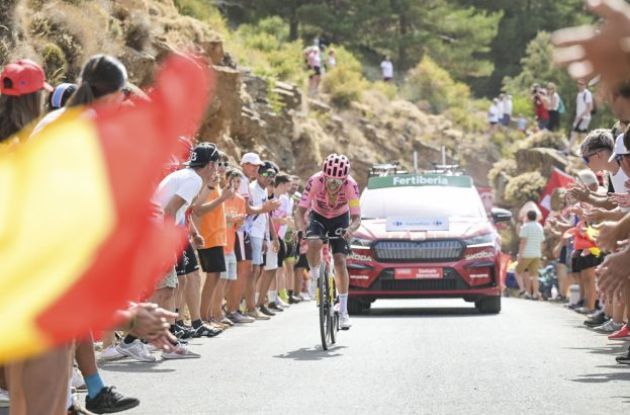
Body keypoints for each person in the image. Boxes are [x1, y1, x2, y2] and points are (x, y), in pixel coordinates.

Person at [296, 154, 362, 329]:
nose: (333, 185)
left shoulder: (351, 185)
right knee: (314, 242)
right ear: (324, 176)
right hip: (318, 216)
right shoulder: (315, 181)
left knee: (340, 261)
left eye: (338, 181)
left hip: (341, 218)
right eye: (329, 180)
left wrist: (350, 229)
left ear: (344, 179)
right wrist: (301, 229)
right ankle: (316, 276)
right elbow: (300, 211)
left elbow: (356, 218)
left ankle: (343, 312)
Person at [515, 210, 545, 299]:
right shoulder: (540, 227)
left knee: (517, 271)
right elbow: (542, 241)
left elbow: (523, 242)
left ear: (527, 217)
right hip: (536, 253)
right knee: (534, 275)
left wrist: (520, 254)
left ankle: (522, 289)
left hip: (527, 254)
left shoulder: (526, 227)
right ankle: (535, 293)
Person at [568, 80, 594, 151]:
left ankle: (567, 151)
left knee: (574, 133)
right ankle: (585, 152)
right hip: (579, 117)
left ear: (585, 85)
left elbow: (590, 107)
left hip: (584, 118)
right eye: (579, 83)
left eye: (582, 84)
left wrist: (580, 116)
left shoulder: (587, 94)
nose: (580, 85)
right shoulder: (579, 94)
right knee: (582, 136)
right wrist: (577, 116)